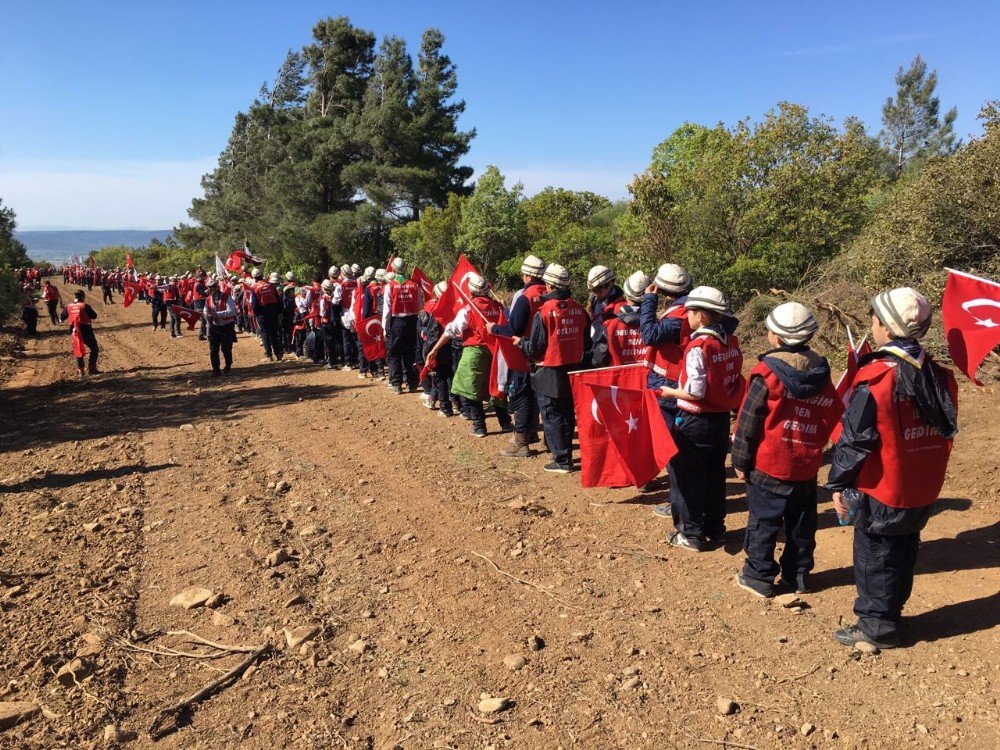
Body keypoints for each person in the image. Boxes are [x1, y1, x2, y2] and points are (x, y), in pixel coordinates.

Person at [827, 288, 958, 650]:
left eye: (874, 321)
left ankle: (876, 628)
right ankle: (891, 613)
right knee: (903, 550)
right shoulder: (940, 375)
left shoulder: (876, 377)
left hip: (884, 484)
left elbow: (855, 440)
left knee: (874, 555)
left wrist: (838, 481)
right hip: (923, 482)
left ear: (887, 327)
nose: (872, 327)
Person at [731, 302, 842, 598]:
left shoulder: (766, 372)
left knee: (763, 522)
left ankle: (758, 576)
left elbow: (748, 420)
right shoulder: (821, 369)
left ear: (776, 337)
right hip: (805, 465)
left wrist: (740, 460)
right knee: (802, 524)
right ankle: (799, 576)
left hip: (769, 464)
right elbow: (832, 411)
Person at [657, 287, 745, 551]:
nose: (687, 317)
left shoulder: (699, 346)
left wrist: (669, 391)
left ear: (702, 315)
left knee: (686, 477)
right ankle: (715, 528)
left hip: (695, 421)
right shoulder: (730, 341)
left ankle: (690, 533)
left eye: (690, 312)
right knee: (714, 476)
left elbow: (695, 392)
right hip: (719, 421)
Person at [518, 264, 591, 473]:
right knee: (567, 414)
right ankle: (565, 453)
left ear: (549, 285)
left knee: (552, 415)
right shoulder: (580, 309)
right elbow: (586, 342)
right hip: (574, 369)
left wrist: (521, 343)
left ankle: (562, 460)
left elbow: (535, 347)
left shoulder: (545, 312)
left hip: (549, 371)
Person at [427, 274, 512, 436]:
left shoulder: (468, 308)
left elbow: (452, 330)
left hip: (475, 351)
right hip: (497, 352)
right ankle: (505, 422)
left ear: (471, 291)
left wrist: (435, 348)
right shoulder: (499, 306)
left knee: (471, 388)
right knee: (497, 386)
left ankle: (479, 426)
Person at [485, 254, 547, 457]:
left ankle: (521, 442)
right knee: (543, 398)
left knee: (523, 397)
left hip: (524, 355)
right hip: (547, 355)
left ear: (528, 275)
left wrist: (494, 328)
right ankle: (545, 438)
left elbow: (514, 329)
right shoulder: (551, 293)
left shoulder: (525, 298)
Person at [383, 258, 423, 394]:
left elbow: (387, 310)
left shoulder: (390, 286)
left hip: (397, 323)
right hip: (412, 321)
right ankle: (412, 383)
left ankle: (397, 384)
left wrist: (385, 327)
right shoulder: (415, 285)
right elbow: (420, 306)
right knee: (410, 352)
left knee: (394, 353)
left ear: (393, 269)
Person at [604, 271, 649, 365]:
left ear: (626, 294)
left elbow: (600, 358)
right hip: (647, 377)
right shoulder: (655, 326)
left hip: (619, 377)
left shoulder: (610, 325)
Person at [586, 265, 624, 367]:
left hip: (610, 355)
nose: (596, 293)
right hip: (595, 350)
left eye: (598, 290)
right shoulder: (594, 300)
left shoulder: (621, 303)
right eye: (593, 290)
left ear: (610, 284)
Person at [61, 290, 100, 377]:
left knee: (78, 349)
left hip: (74, 331)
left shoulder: (69, 306)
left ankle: (81, 371)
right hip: (86, 330)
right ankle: (92, 368)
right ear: (83, 297)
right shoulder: (84, 306)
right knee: (94, 348)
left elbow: (62, 316)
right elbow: (94, 316)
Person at [204, 279, 238, 377]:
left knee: (226, 348)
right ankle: (216, 370)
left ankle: (228, 364)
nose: (212, 288)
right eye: (210, 287)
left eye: (214, 286)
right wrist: (208, 316)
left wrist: (217, 314)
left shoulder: (226, 297)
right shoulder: (208, 299)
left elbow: (232, 311)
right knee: (213, 349)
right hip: (214, 326)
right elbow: (205, 311)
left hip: (226, 326)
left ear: (217, 286)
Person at [252, 270, 284, 362]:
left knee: (265, 334)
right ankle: (279, 355)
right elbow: (278, 300)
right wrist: (279, 312)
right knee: (274, 333)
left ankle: (269, 356)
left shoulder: (254, 288)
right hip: (273, 311)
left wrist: (257, 314)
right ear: (262, 275)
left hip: (262, 313)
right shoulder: (271, 286)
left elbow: (254, 305)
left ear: (254, 278)